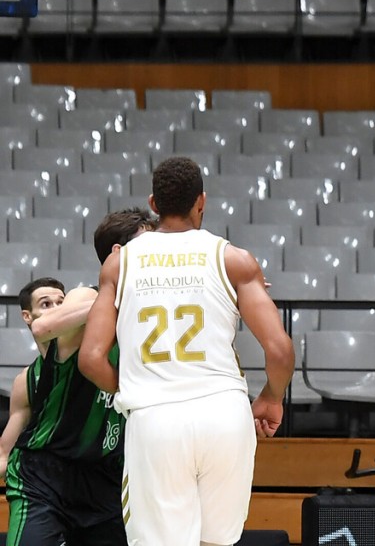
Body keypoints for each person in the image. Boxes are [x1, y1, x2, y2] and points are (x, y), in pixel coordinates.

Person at [79, 157, 296, 546]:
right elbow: (279, 350)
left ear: (154, 203)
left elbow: (91, 359)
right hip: (225, 414)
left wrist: (133, 385)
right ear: (202, 202)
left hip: (156, 419)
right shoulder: (233, 259)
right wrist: (271, 397)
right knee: (216, 542)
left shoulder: (119, 263)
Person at [1, 207, 157, 546]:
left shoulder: (152, 308)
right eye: (150, 244)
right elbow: (44, 327)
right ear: (120, 253)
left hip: (104, 476)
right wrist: (118, 295)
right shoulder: (90, 297)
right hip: (47, 474)